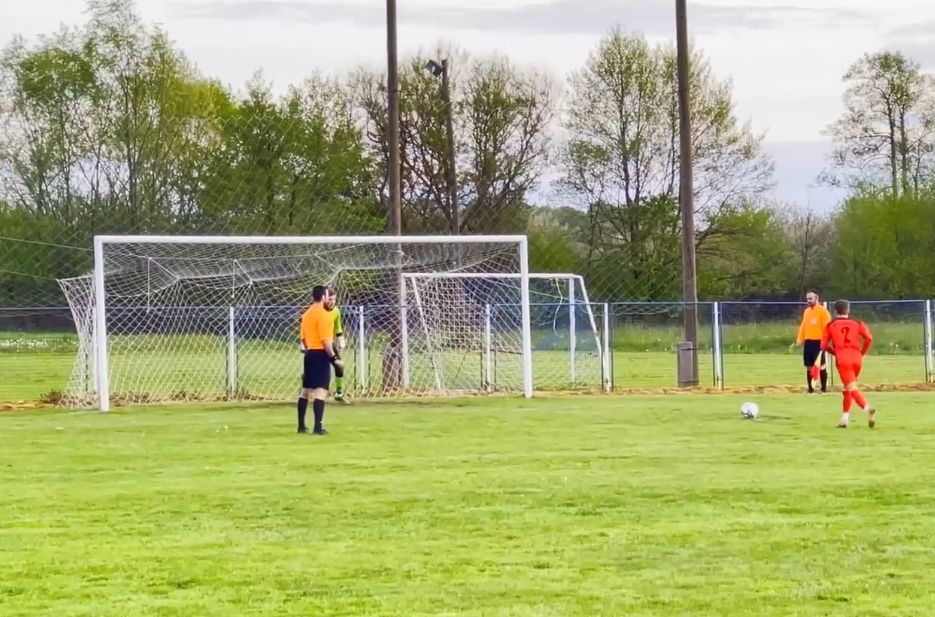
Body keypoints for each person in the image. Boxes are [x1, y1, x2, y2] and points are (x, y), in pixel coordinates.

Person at [821, 299, 876, 429]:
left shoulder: (831, 325)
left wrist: (835, 352)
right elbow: (869, 338)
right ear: (848, 310)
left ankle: (867, 408)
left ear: (835, 311)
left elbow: (823, 345)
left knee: (851, 388)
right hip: (857, 357)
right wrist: (862, 352)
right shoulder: (858, 323)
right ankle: (844, 418)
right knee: (847, 388)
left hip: (843, 358)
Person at [297, 285, 342, 435]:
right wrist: (334, 359)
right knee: (321, 391)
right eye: (328, 296)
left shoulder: (306, 315)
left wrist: (309, 349)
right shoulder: (324, 315)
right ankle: (318, 427)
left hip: (309, 354)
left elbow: (303, 339)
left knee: (305, 391)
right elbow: (326, 342)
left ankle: (301, 426)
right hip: (321, 355)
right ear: (323, 297)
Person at [795, 290, 832, 394]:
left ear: (817, 298)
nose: (808, 300)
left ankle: (823, 389)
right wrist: (799, 340)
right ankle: (810, 390)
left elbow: (827, 328)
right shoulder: (807, 311)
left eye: (810, 298)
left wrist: (826, 342)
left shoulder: (823, 311)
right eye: (807, 299)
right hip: (808, 342)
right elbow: (803, 326)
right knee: (809, 366)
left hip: (819, 342)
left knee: (821, 365)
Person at [324, 288, 348, 403]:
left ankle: (339, 392)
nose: (332, 302)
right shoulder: (318, 311)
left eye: (333, 299)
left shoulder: (336, 311)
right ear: (324, 299)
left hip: (330, 343)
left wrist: (341, 338)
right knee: (314, 370)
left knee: (339, 365)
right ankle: (307, 392)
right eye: (329, 299)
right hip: (317, 345)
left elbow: (338, 327)